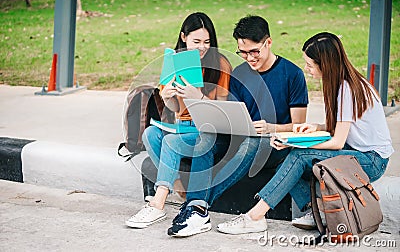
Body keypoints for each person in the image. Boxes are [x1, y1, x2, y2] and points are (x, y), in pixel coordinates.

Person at [214, 32, 394, 235]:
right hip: (357, 153)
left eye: (310, 65)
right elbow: (343, 126)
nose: (307, 69)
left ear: (324, 64)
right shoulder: (343, 83)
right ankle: (313, 210)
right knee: (284, 159)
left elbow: (337, 142)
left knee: (298, 155)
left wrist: (297, 144)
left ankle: (255, 216)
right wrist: (315, 128)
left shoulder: (346, 89)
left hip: (371, 161)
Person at [167, 15, 309, 237]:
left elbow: (299, 126)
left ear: (268, 42)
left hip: (274, 143)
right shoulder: (240, 73)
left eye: (255, 52)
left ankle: (197, 206)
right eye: (243, 53)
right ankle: (197, 208)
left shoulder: (292, 74)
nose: (250, 58)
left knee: (252, 144)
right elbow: (231, 115)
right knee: (206, 137)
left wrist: (272, 127)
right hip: (241, 137)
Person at [125, 12, 232, 229]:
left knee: (171, 142)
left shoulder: (220, 63)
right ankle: (178, 188)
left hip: (207, 129)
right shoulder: (174, 61)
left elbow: (224, 113)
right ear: (184, 37)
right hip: (182, 126)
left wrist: (199, 97)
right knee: (150, 134)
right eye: (196, 41)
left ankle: (158, 203)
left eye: (207, 42)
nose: (202, 47)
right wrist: (167, 98)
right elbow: (175, 110)